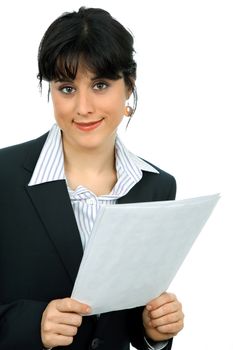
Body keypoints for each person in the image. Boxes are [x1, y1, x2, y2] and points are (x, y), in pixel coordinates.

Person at [0, 7, 184, 350]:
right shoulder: (4, 177)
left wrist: (152, 330)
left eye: (100, 85)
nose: (83, 107)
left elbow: (128, 314)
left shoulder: (156, 186)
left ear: (128, 86)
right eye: (67, 88)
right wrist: (31, 325)